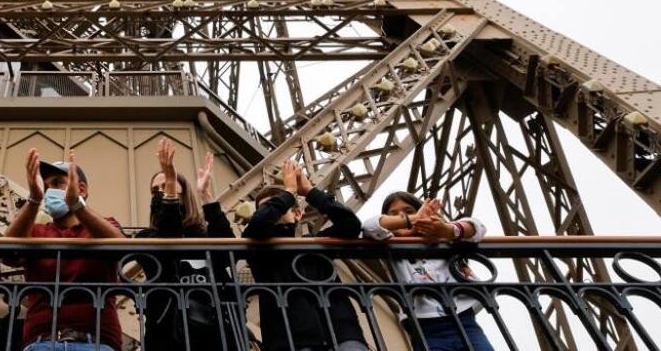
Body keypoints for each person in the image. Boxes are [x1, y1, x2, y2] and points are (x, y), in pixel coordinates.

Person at [5, 149, 124, 351]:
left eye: (58, 182)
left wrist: (77, 205)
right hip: (41, 341)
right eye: (46, 186)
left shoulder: (102, 226)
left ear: (82, 189)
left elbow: (120, 246)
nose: (50, 191)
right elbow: (7, 253)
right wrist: (34, 199)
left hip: (96, 341)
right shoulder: (36, 232)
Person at [242, 159, 367, 351]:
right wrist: (289, 192)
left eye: (279, 205)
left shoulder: (314, 243)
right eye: (268, 207)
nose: (274, 210)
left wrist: (309, 191)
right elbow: (259, 223)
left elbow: (351, 225)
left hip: (343, 334)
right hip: (291, 341)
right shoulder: (257, 247)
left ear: (298, 214)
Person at [134, 138, 239, 351]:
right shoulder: (146, 237)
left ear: (184, 193)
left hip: (216, 331)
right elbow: (169, 240)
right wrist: (170, 186)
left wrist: (206, 196)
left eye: (168, 185)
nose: (161, 192)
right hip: (166, 333)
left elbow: (229, 255)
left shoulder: (203, 236)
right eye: (155, 190)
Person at [362, 192, 495, 351]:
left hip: (465, 321)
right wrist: (412, 218)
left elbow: (477, 227)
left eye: (409, 211)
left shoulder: (442, 239)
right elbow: (369, 226)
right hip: (425, 330)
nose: (402, 216)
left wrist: (448, 230)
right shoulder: (389, 244)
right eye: (394, 215)